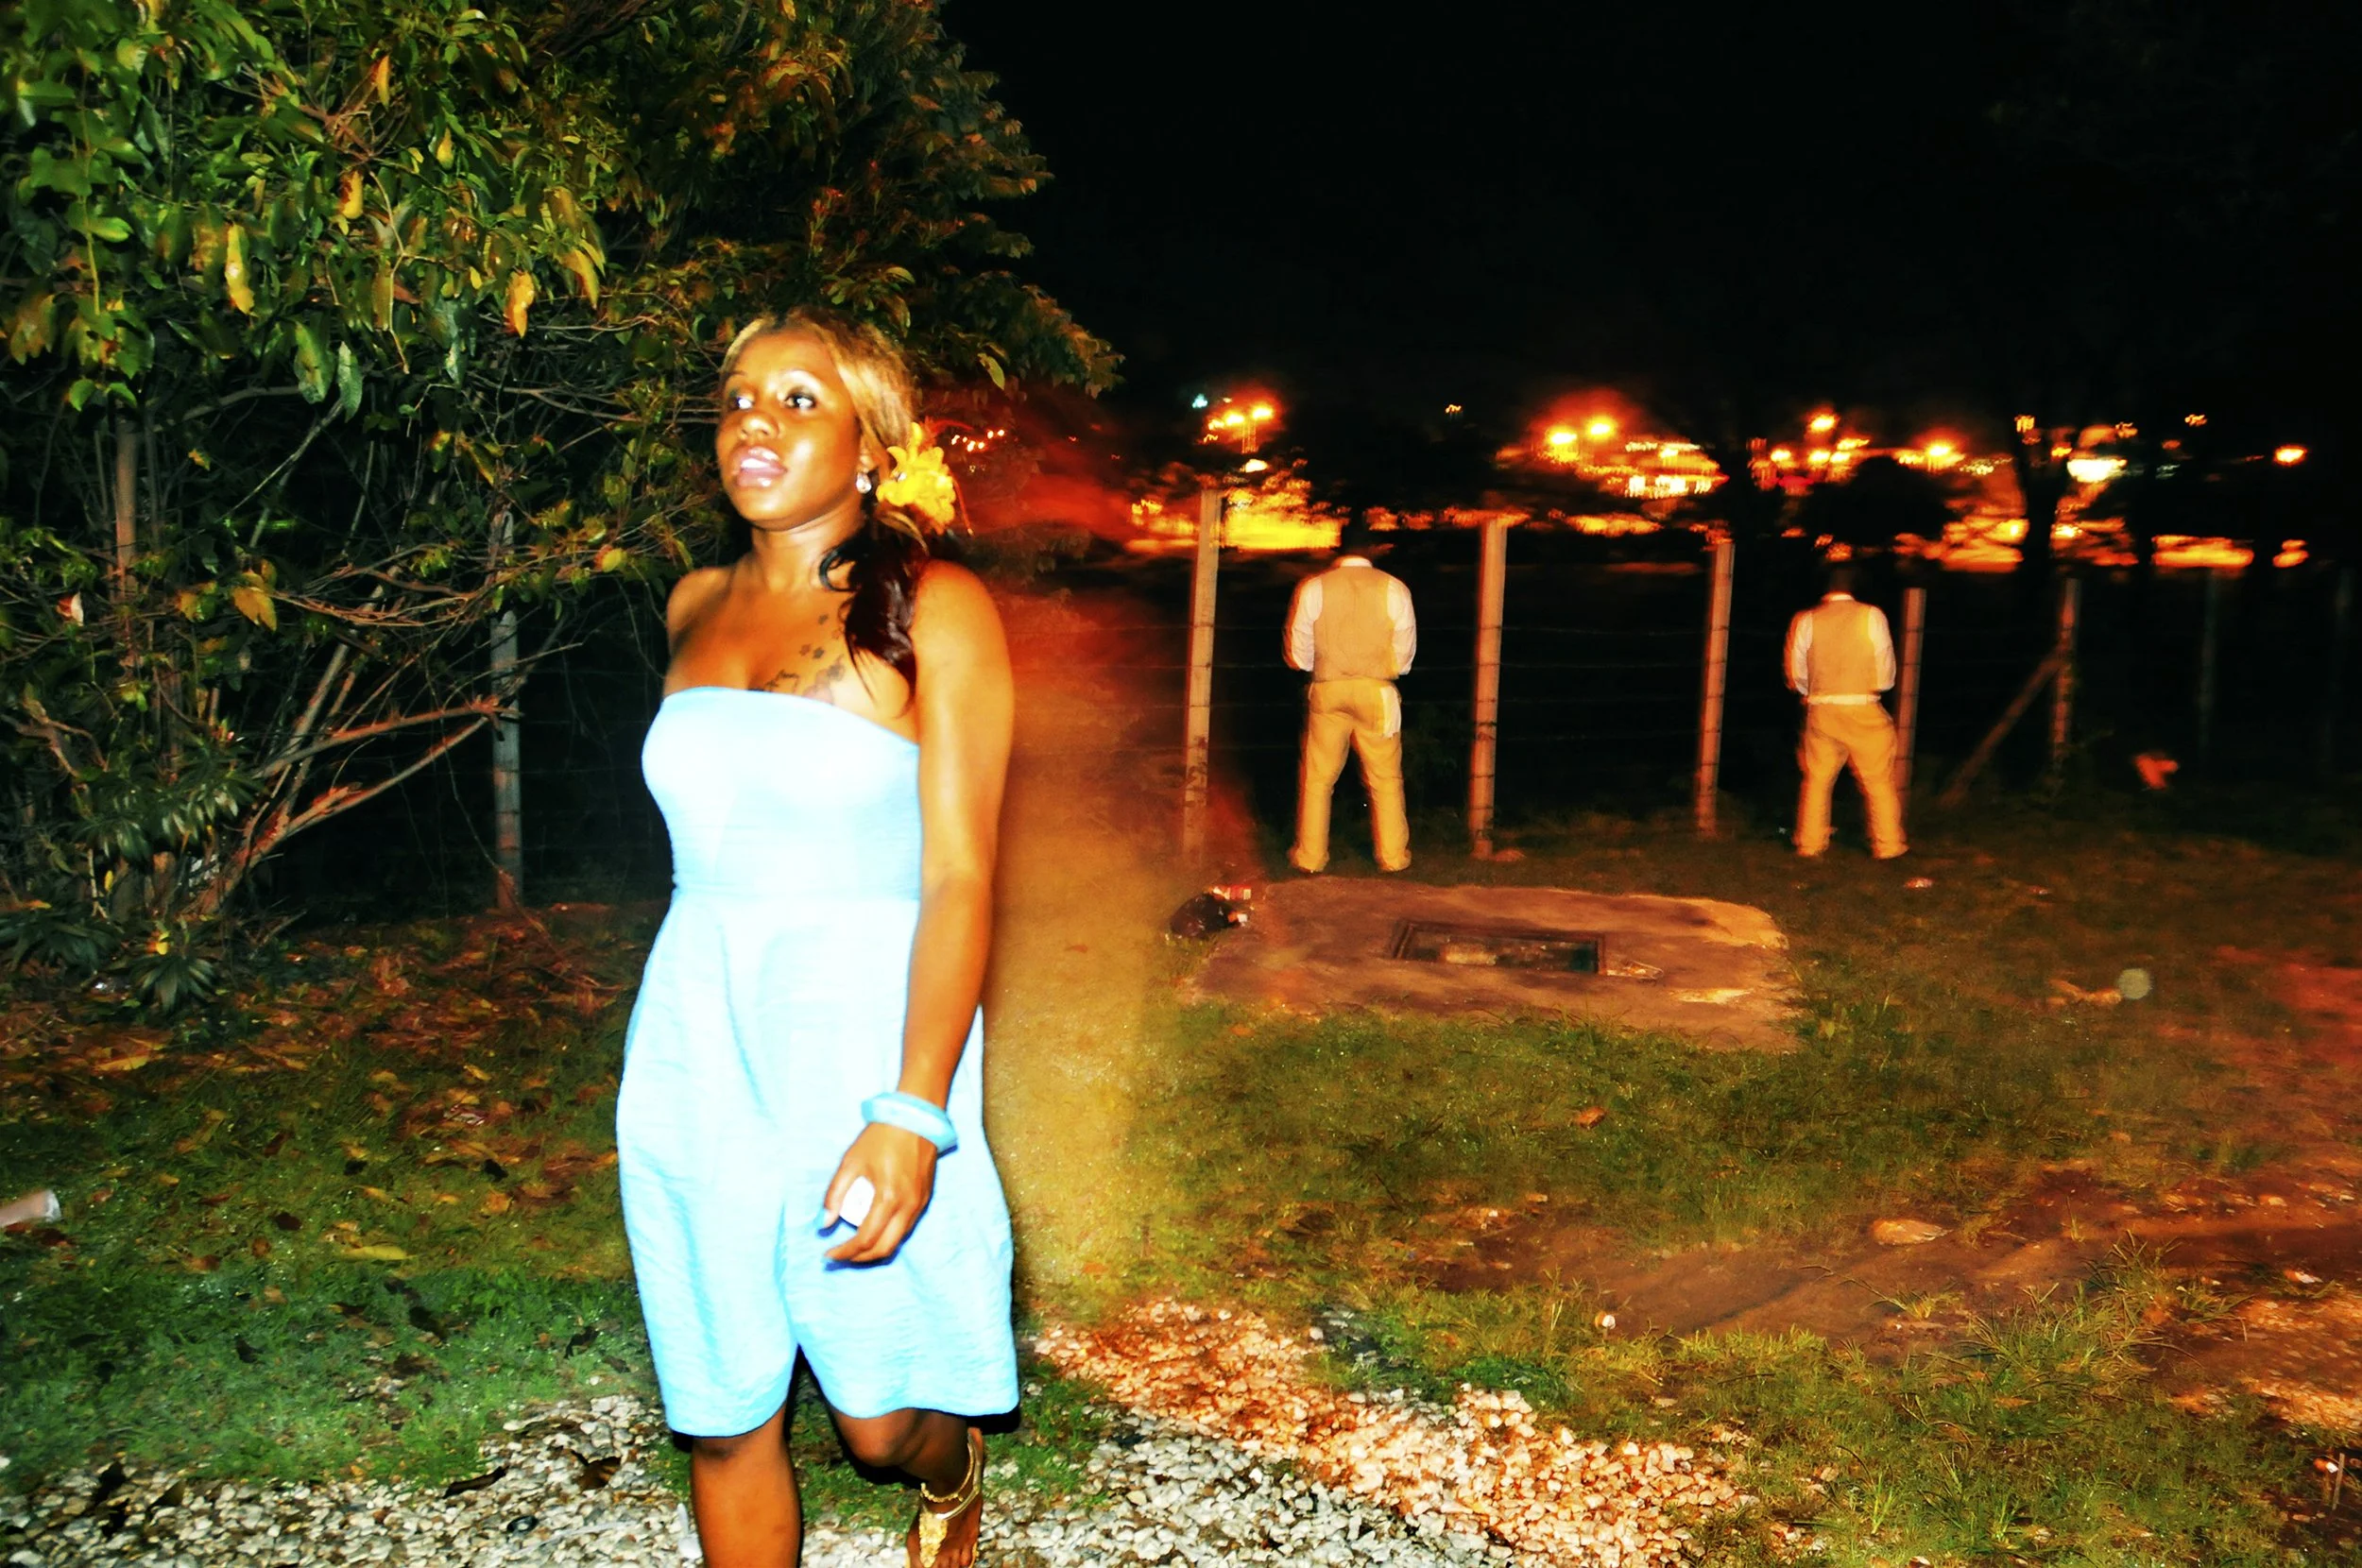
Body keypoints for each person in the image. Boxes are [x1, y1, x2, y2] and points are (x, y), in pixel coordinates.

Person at [617, 308, 1013, 1568]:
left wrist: (912, 1111)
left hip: (866, 1037)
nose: (754, 421)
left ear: (872, 449)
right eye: (739, 397)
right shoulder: (691, 603)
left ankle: (951, 1469)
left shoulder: (938, 610)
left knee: (877, 1422)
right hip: (696, 1035)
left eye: (799, 400)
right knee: (722, 1407)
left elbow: (960, 877)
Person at [1284, 514, 1416, 873]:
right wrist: (1390, 670)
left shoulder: (1314, 587)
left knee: (1318, 779)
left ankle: (1311, 857)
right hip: (1377, 691)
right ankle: (1393, 857)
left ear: (1338, 548)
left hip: (1328, 688)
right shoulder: (1394, 588)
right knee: (1385, 778)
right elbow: (1405, 647)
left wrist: (1316, 666)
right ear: (1372, 549)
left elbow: (1299, 650)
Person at [1785, 564, 1907, 860]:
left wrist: (1812, 691)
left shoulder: (1806, 619)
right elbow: (1884, 666)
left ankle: (1810, 843)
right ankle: (1888, 845)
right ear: (1856, 586)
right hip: (1862, 707)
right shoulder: (1871, 615)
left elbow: (1796, 673)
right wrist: (1876, 685)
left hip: (1821, 708)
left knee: (1817, 779)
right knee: (1877, 780)